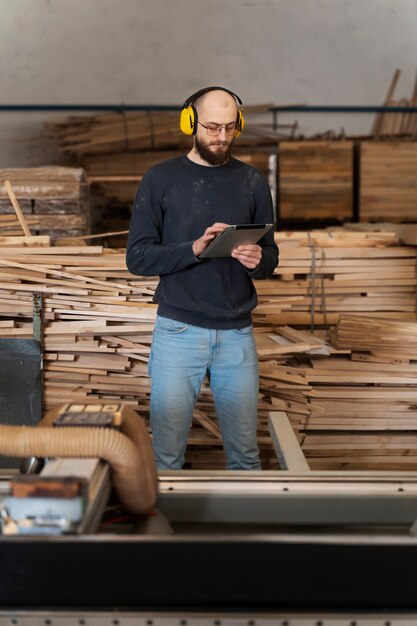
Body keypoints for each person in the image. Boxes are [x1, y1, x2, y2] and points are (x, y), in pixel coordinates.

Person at [126, 86, 279, 470]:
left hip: (237, 335)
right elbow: (138, 257)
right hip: (178, 331)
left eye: (230, 127)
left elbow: (271, 257)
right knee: (165, 456)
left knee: (245, 456)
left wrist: (256, 259)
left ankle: (244, 528)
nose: (222, 137)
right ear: (190, 123)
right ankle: (160, 528)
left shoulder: (252, 181)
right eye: (212, 127)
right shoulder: (160, 179)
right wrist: (194, 248)